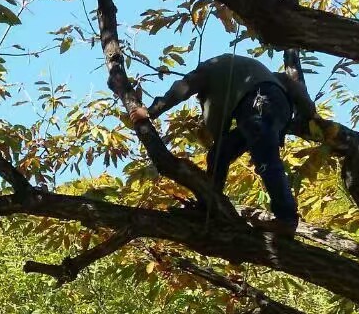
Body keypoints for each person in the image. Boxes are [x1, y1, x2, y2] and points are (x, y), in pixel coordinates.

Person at [130, 53, 316, 233]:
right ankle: (209, 203)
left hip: (257, 103)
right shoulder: (247, 70)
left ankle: (286, 218)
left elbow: (183, 89)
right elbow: (290, 83)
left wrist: (151, 112)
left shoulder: (207, 71)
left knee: (266, 159)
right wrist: (309, 113)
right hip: (277, 108)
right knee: (220, 153)